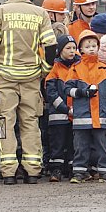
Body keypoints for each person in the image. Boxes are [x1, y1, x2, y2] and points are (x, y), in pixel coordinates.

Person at [0, 0, 57, 184]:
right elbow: (51, 47)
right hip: (31, 77)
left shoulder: (0, 12)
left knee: (4, 122)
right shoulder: (40, 13)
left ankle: (8, 171)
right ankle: (33, 170)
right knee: (31, 123)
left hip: (4, 77)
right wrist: (44, 70)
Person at [64, 30, 106, 183]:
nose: (92, 49)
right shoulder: (75, 69)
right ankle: (79, 173)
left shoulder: (105, 69)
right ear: (80, 50)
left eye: (94, 45)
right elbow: (67, 89)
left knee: (103, 145)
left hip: (101, 116)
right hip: (82, 116)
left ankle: (105, 173)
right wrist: (81, 92)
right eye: (88, 46)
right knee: (81, 146)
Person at [44, 34, 78, 181]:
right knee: (57, 144)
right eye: (68, 48)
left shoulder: (79, 66)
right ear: (60, 50)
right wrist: (65, 109)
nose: (72, 51)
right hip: (58, 115)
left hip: (75, 114)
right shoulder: (55, 69)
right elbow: (51, 93)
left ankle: (71, 169)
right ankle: (56, 170)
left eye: (74, 48)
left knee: (73, 144)